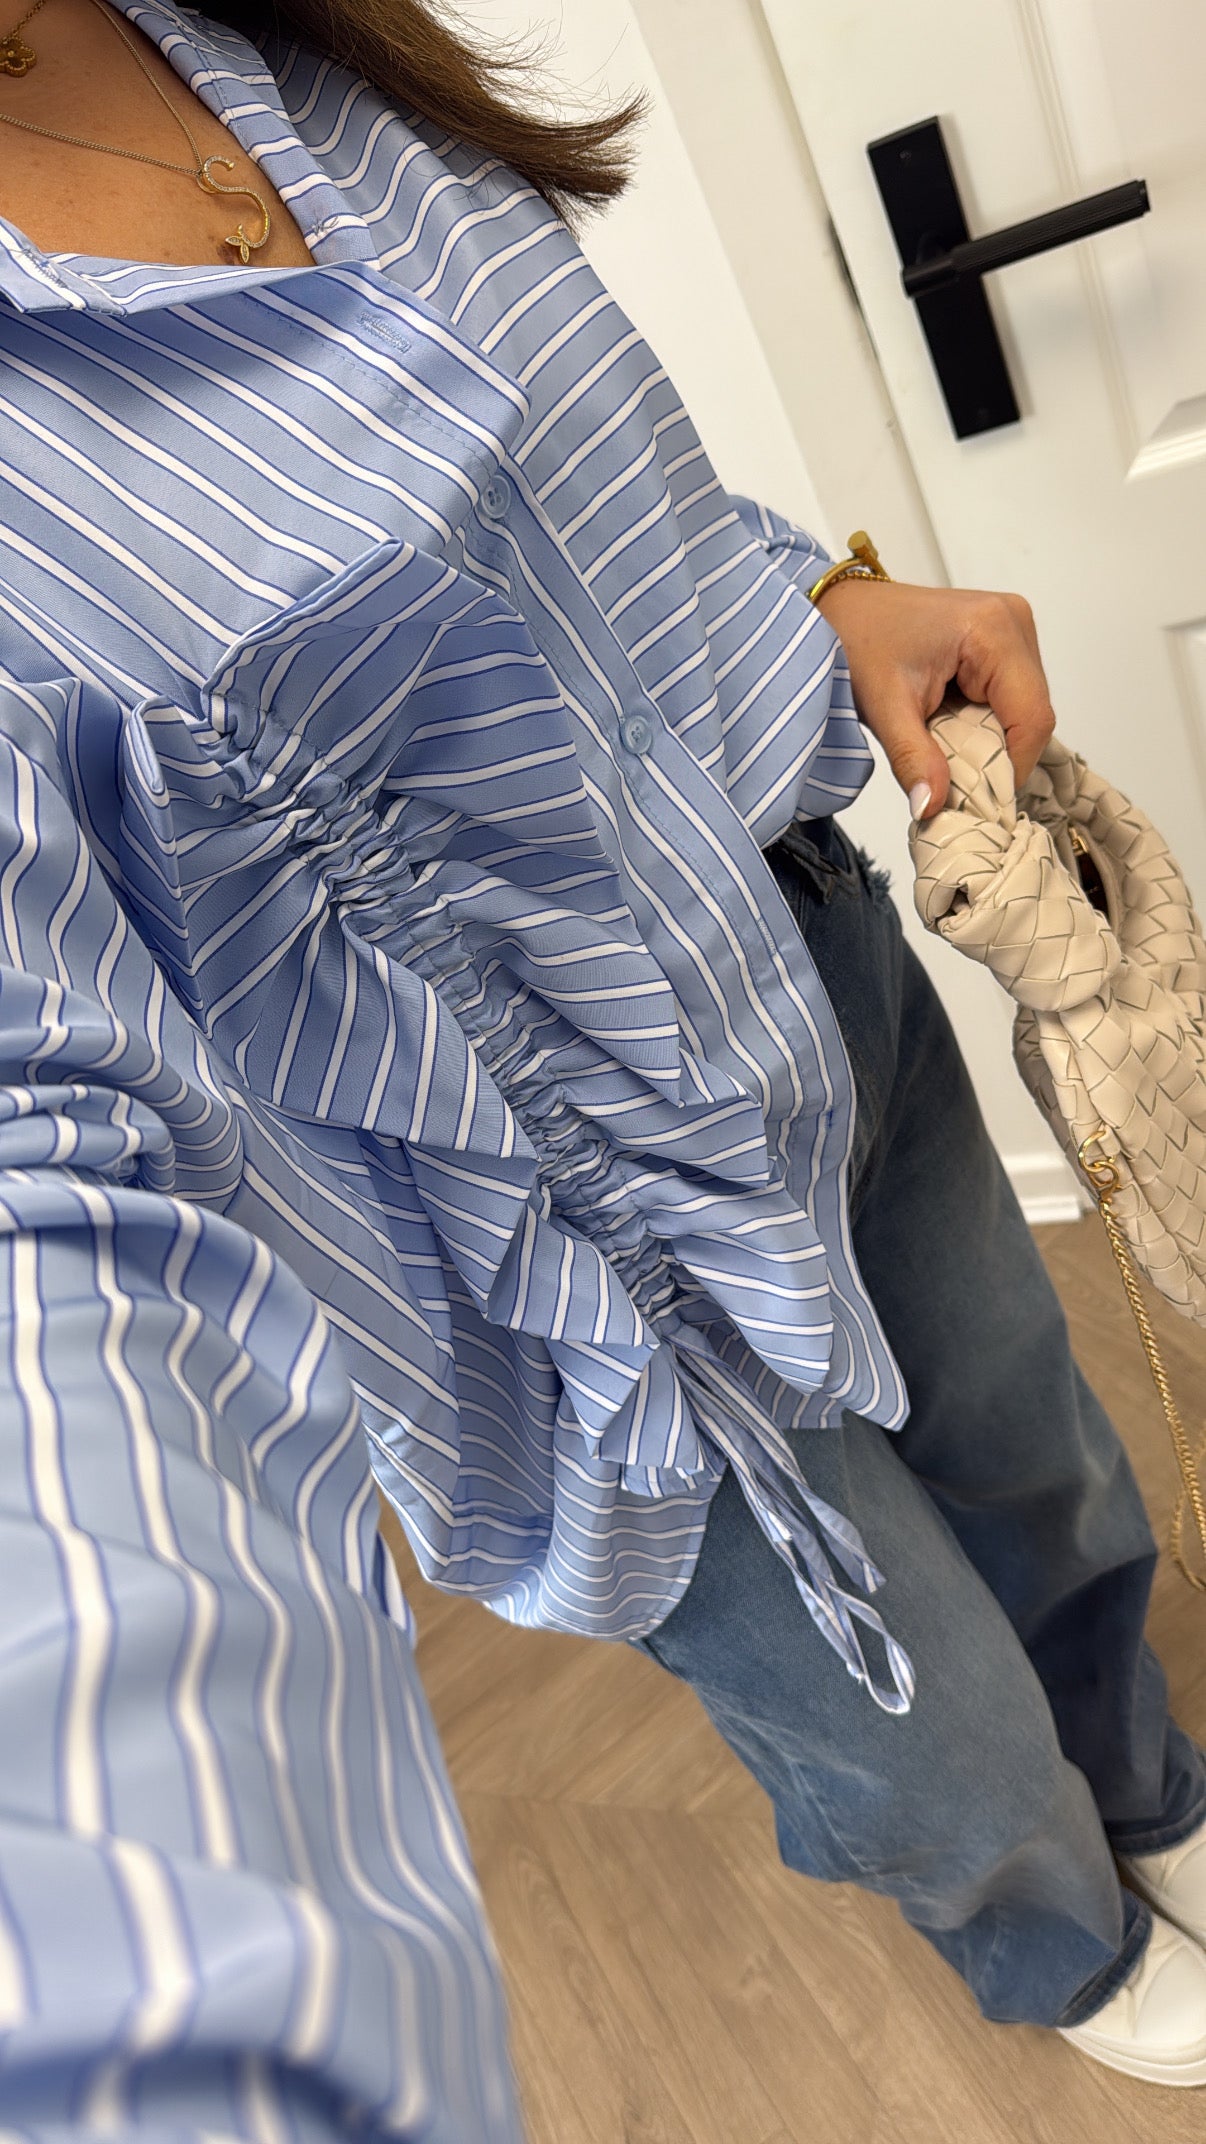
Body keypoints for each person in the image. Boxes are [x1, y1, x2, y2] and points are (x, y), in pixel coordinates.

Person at [1, 0, 1204, 2128]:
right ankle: (1058, 1931)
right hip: (536, 1247)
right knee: (899, 1716)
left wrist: (817, 592)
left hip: (795, 934)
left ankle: (1141, 1786)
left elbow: (578, 474)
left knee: (1038, 1462)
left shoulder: (279, 41)